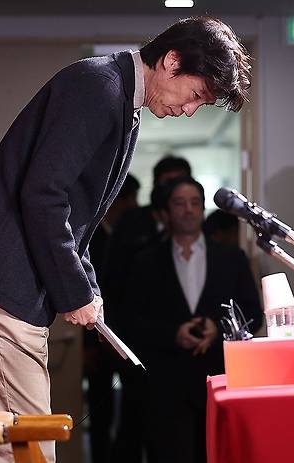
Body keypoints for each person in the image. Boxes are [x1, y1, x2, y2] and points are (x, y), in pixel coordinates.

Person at [0, 16, 252, 463]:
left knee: (25, 442)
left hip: (10, 278)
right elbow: (43, 195)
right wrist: (74, 291)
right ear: (171, 60)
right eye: (196, 94)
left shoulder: (120, 98)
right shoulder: (98, 86)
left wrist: (89, 290)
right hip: (0, 276)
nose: (190, 110)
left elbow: (76, 216)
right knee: (23, 446)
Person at [125, 176, 262, 463]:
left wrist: (219, 328)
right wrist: (173, 334)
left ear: (203, 209)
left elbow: (253, 313)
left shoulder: (231, 258)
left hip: (222, 380)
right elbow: (132, 322)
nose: (188, 209)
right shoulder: (145, 261)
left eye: (195, 203)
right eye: (179, 203)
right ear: (167, 211)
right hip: (166, 386)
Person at [104, 154, 191, 463]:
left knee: (173, 434)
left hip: (180, 345)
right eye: (167, 183)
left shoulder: (191, 225)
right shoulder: (133, 221)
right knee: (132, 423)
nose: (173, 190)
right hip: (135, 337)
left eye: (179, 183)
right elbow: (111, 281)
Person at [85, 173, 139, 463]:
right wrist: (87, 346)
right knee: (100, 412)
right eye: (129, 200)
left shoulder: (129, 238)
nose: (133, 206)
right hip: (96, 338)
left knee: (130, 408)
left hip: (125, 337)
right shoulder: (92, 235)